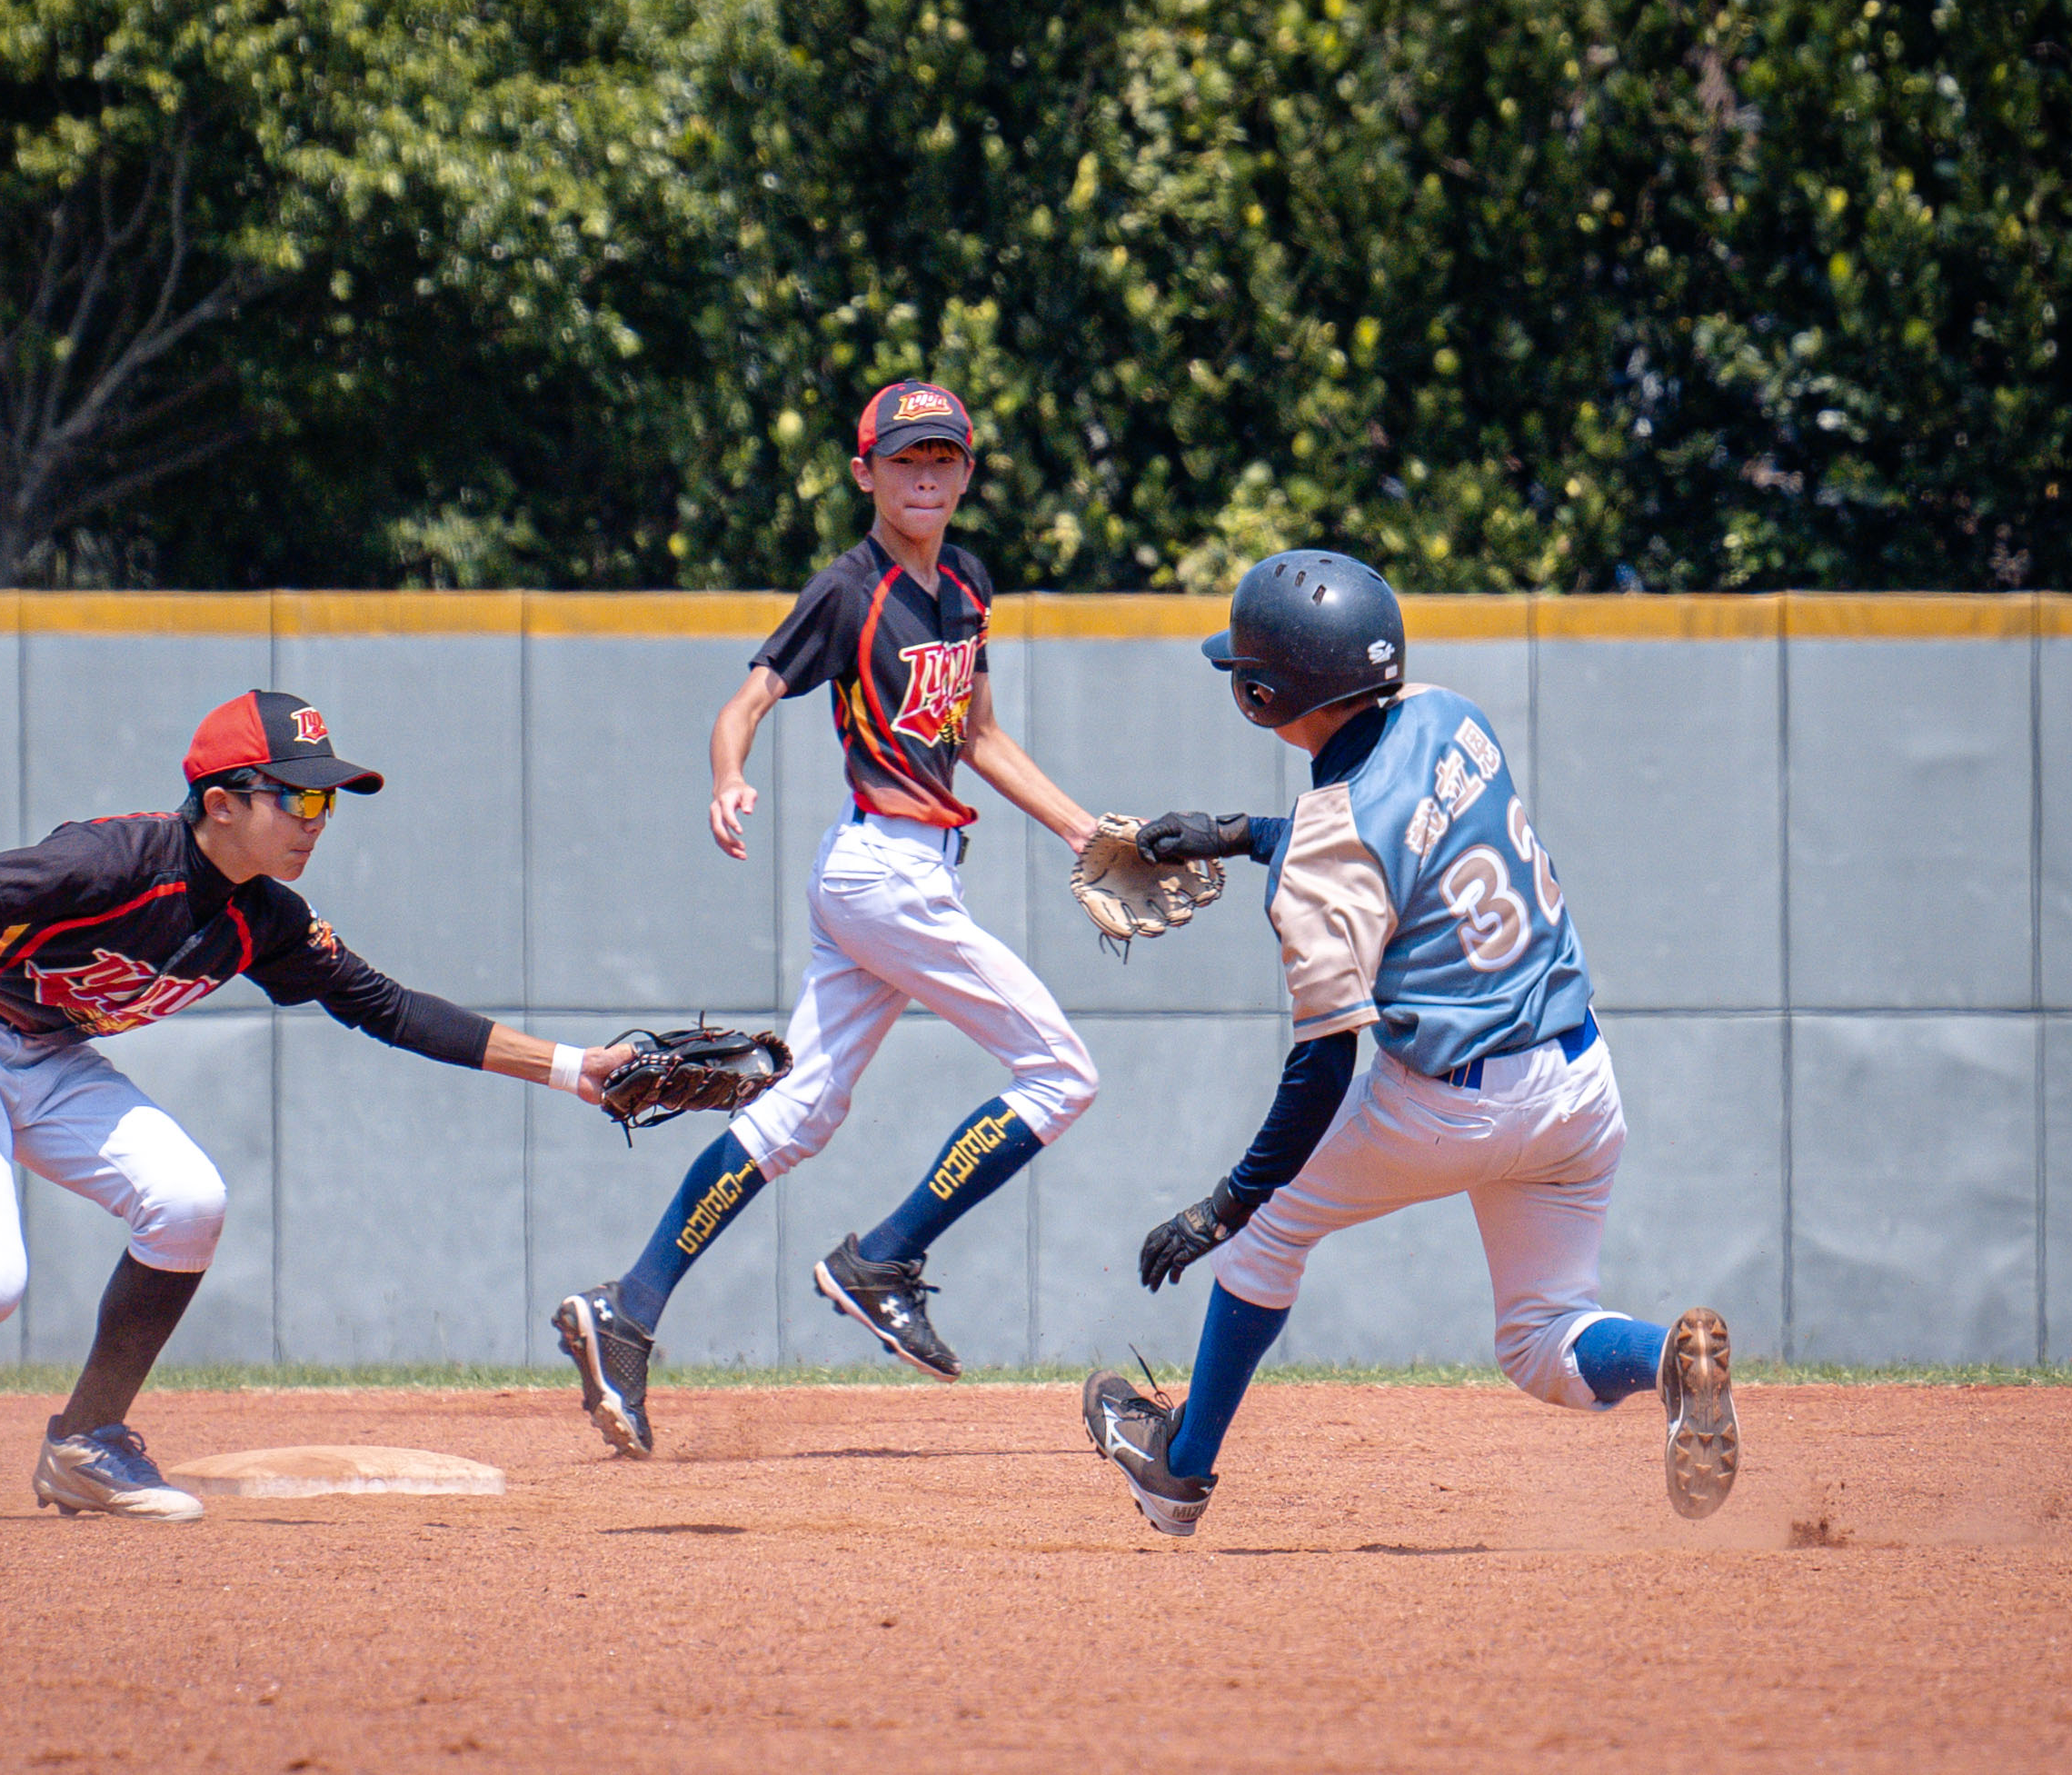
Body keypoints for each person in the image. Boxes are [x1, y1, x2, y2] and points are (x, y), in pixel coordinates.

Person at [0, 690, 632, 1521]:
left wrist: (577, 1066)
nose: (315, 817)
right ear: (220, 802)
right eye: (295, 794)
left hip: (45, 1054)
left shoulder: (265, 922)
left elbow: (390, 1010)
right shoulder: (112, 861)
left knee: (189, 1202)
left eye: (327, 799)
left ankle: (85, 1441)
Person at [1081, 550, 1739, 1537]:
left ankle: (1178, 1473)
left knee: (1267, 1235)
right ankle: (1660, 1364)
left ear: (1262, 697)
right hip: (1579, 1086)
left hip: (1450, 1104)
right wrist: (1231, 833)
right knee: (1540, 1338)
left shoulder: (1316, 875)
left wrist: (1225, 1205)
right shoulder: (1447, 712)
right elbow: (1382, 821)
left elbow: (1322, 1067)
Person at [550, 381, 1105, 1458]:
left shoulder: (968, 585)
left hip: (904, 875)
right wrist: (727, 775)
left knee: (797, 1111)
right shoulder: (848, 590)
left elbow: (979, 738)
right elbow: (749, 697)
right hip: (881, 872)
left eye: (943, 456)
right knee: (1061, 1073)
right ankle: (884, 1259)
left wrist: (1083, 832)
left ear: (967, 471)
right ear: (865, 475)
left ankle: (629, 1306)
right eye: (903, 460)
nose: (925, 474)